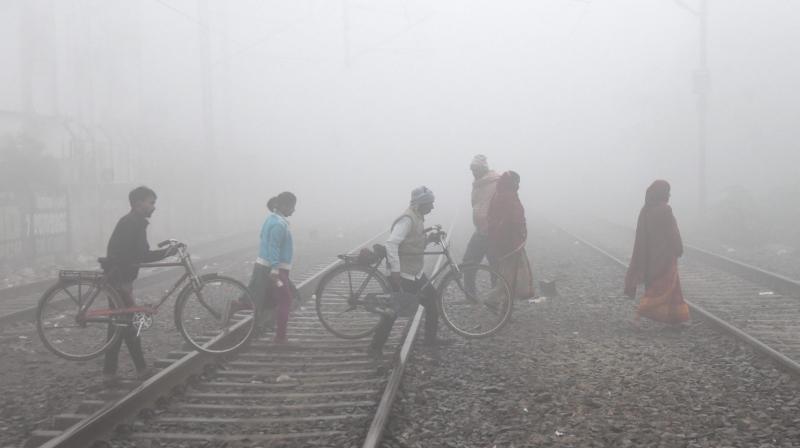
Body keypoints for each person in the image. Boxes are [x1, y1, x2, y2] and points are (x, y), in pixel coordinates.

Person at [102, 186, 175, 384]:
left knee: (120, 325)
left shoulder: (135, 223)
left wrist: (166, 253)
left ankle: (110, 372)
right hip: (119, 280)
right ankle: (140, 369)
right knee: (127, 325)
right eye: (151, 202)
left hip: (120, 279)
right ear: (137, 203)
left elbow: (139, 254)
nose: (154, 207)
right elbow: (135, 255)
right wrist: (167, 253)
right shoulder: (131, 224)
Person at [368, 186, 451, 359]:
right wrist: (396, 271)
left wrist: (429, 239)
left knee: (431, 298)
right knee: (393, 311)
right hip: (403, 274)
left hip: (415, 272)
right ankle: (375, 348)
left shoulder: (418, 217)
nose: (433, 207)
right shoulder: (407, 220)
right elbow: (391, 244)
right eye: (431, 203)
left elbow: (413, 243)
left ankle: (430, 339)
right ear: (422, 203)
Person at [624, 180, 689, 326]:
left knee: (664, 287)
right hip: (666, 256)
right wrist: (679, 248)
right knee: (664, 287)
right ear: (662, 193)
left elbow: (641, 235)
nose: (669, 194)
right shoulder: (665, 210)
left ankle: (675, 318)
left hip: (650, 256)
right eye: (667, 191)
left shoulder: (645, 210)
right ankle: (639, 315)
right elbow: (672, 232)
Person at [246, 191, 296, 344]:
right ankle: (280, 338)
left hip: (267, 265)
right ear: (284, 206)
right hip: (275, 269)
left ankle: (237, 306)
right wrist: (274, 269)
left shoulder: (271, 219)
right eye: (292, 207)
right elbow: (274, 246)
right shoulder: (279, 224)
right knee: (285, 300)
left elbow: (263, 237)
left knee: (264, 298)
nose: (293, 210)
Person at [487, 171, 535, 300]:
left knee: (509, 273)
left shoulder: (499, 194)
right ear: (511, 182)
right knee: (509, 275)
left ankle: (504, 307)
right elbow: (513, 218)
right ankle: (495, 300)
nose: (518, 185)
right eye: (516, 182)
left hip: (503, 240)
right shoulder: (509, 196)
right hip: (510, 241)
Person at [463, 155, 501, 294]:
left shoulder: (496, 181)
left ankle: (497, 297)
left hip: (492, 232)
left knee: (495, 266)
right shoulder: (478, 184)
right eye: (472, 169)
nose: (474, 172)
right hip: (480, 230)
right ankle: (471, 295)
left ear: (483, 168)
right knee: (468, 262)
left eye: (476, 169)